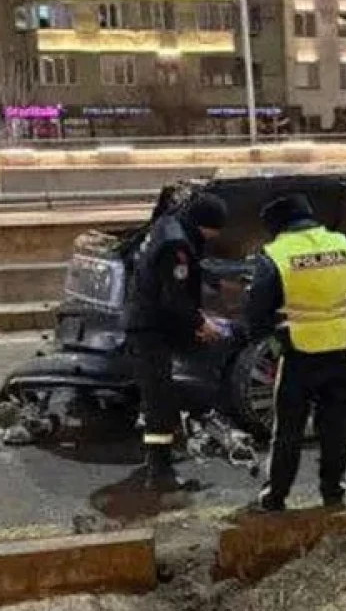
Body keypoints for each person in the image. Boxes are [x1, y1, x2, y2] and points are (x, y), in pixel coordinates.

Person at [243, 194, 346, 512]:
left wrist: (269, 341)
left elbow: (256, 312)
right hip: (342, 348)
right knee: (336, 426)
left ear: (277, 225)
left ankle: (276, 495)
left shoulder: (276, 255)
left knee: (288, 429)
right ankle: (334, 492)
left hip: (299, 352)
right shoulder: (343, 245)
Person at [124, 191, 229, 492]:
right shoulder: (176, 245)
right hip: (151, 328)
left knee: (160, 392)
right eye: (215, 230)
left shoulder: (167, 224)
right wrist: (200, 323)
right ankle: (160, 472)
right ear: (206, 224)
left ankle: (161, 454)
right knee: (159, 400)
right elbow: (174, 296)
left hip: (149, 321)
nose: (214, 237)